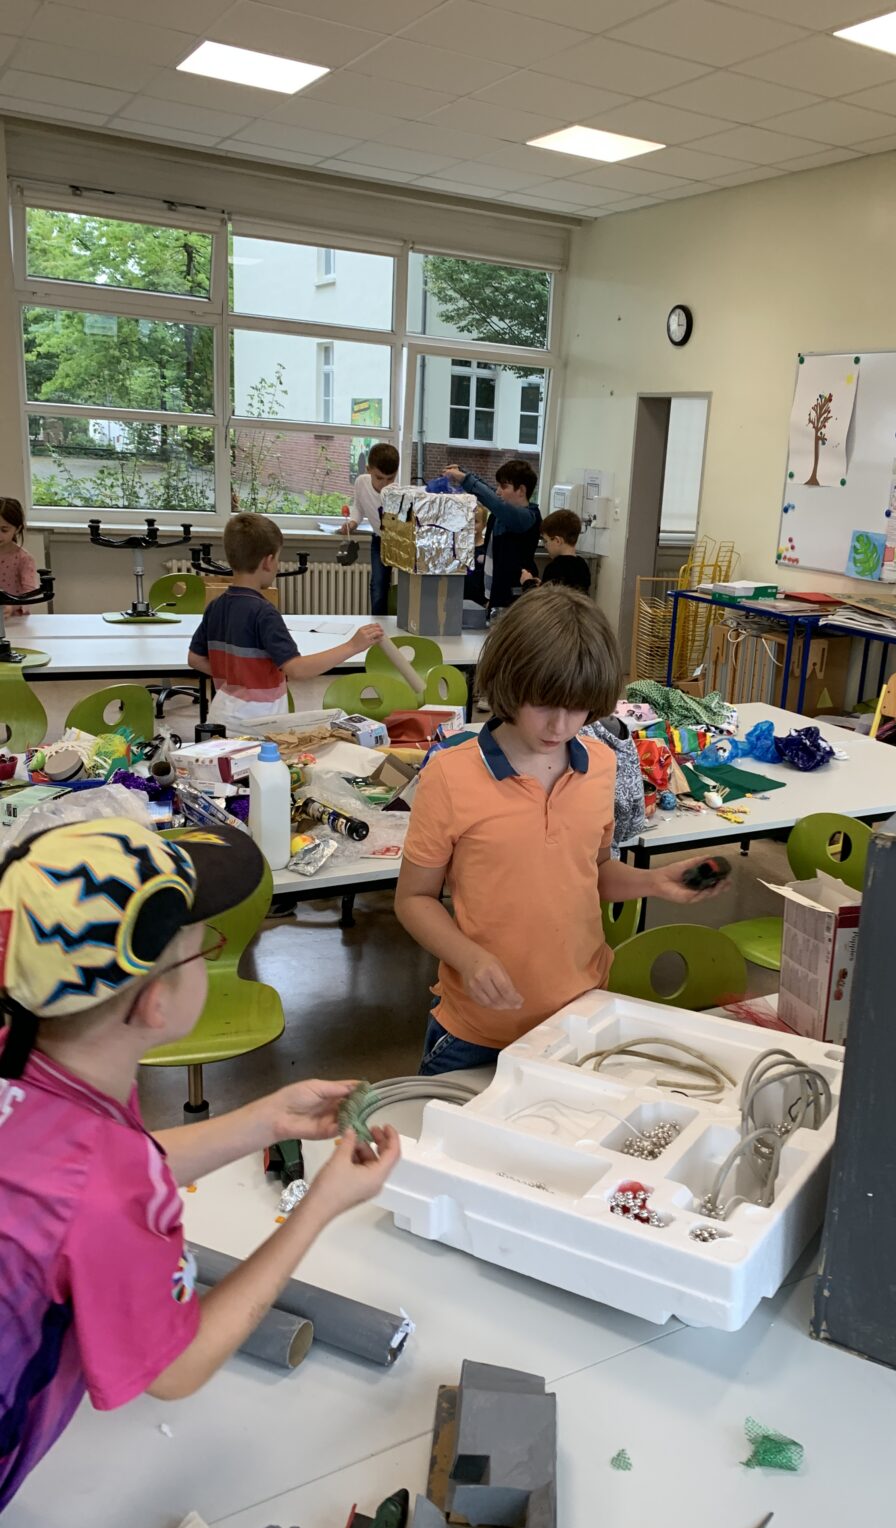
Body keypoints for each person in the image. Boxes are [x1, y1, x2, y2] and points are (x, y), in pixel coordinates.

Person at [0, 816, 400, 1513]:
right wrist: (318, 1206)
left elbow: (75, 1174)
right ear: (156, 1001)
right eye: (204, 950)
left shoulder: (32, 1053)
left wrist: (264, 1120)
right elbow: (176, 1368)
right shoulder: (103, 1186)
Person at [395, 587, 729, 1075]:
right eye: (544, 704)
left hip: (579, 1014)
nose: (559, 725)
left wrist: (655, 882)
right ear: (510, 682)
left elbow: (591, 872)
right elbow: (413, 899)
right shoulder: (450, 774)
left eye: (577, 709)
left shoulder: (602, 763)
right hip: (477, 1029)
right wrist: (469, 958)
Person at [188, 514, 383, 723]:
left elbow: (195, 659)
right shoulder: (264, 612)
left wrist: (237, 677)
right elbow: (297, 669)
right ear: (268, 561)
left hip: (220, 715)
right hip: (259, 722)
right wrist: (353, 646)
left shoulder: (215, 606)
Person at [443, 459, 540, 615]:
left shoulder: (527, 518)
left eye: (503, 487)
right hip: (492, 596)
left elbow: (494, 502)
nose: (498, 492)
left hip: (512, 600)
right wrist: (463, 471)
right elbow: (490, 492)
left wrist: (464, 479)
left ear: (521, 490)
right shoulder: (499, 515)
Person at [342, 442, 400, 616]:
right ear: (368, 470)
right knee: (378, 585)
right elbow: (359, 507)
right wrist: (353, 523)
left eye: (390, 478)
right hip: (379, 540)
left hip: (400, 541)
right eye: (379, 478)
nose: (385, 484)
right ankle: (378, 624)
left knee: (407, 586)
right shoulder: (361, 483)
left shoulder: (397, 492)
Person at [521, 509, 590, 596]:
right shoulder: (582, 565)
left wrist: (527, 583)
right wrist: (542, 585)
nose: (545, 546)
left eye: (546, 541)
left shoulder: (554, 568)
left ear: (557, 541)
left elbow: (545, 600)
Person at [0, 498, 40, 618]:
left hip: (15, 619)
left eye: (4, 530)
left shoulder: (23, 559)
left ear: (17, 529)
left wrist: (12, 607)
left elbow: (30, 593)